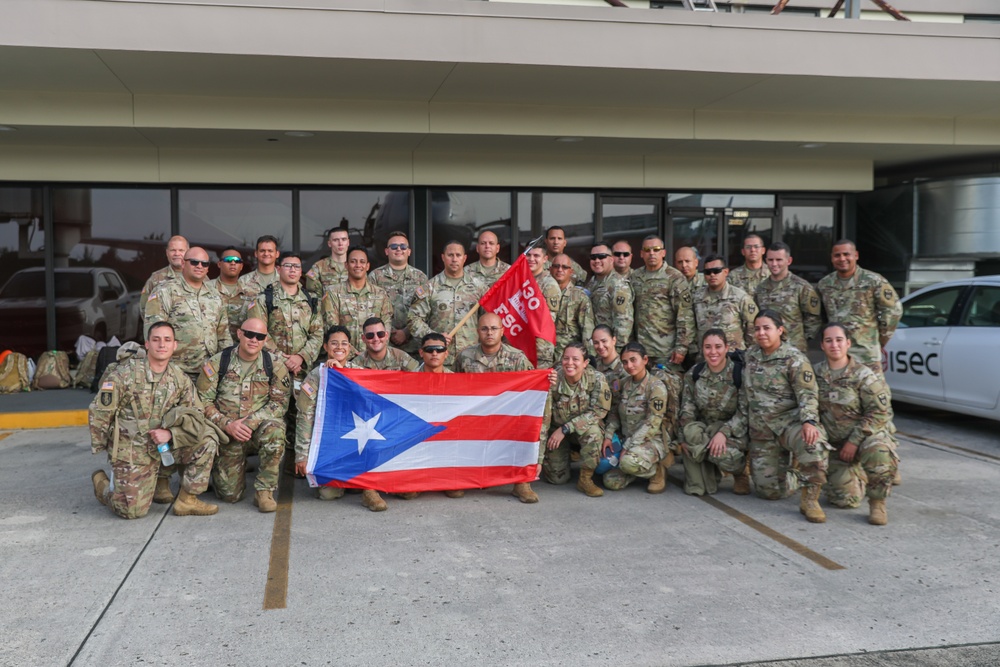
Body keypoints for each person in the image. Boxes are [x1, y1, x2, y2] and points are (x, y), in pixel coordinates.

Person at [89, 321, 218, 518]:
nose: (162, 345)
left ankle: (187, 499)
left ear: (175, 345)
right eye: (156, 340)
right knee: (132, 511)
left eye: (167, 340)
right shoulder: (125, 374)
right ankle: (105, 487)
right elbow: (100, 411)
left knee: (207, 440)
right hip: (134, 447)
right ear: (147, 344)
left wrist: (171, 434)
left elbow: (197, 415)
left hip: (165, 443)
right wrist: (111, 450)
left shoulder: (179, 378)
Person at [743, 309, 830, 523]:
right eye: (757, 329)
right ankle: (794, 473)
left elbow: (807, 393)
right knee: (769, 492)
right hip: (762, 429)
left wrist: (809, 421)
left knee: (814, 442)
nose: (761, 333)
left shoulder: (794, 359)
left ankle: (810, 498)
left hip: (789, 425)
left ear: (780, 330)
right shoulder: (750, 356)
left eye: (767, 328)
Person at [197, 317, 291, 513]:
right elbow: (202, 402)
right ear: (239, 334)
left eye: (260, 336)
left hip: (258, 428)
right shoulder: (218, 362)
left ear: (265, 340)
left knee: (275, 431)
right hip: (228, 432)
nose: (253, 340)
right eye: (249, 334)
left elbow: (279, 403)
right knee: (230, 495)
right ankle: (230, 466)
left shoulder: (274, 364)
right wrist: (227, 424)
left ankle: (264, 491)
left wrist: (250, 422)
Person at [815, 322, 898, 525]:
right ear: (822, 346)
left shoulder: (863, 375)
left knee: (879, 450)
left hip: (861, 441)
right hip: (833, 445)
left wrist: (854, 441)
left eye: (839, 340)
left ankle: (877, 502)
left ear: (848, 343)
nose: (834, 344)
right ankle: (856, 474)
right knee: (845, 500)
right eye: (829, 340)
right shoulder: (814, 374)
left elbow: (879, 412)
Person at [454, 313, 539, 503]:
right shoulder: (465, 357)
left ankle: (521, 482)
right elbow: (455, 392)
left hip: (507, 419)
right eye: (484, 329)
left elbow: (533, 389)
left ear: (502, 331)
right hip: (474, 419)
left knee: (524, 430)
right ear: (477, 332)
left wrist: (546, 379)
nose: (489, 333)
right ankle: (460, 478)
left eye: (493, 328)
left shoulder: (517, 358)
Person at [295, 326, 374, 506]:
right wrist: (302, 455)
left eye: (344, 343)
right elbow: (304, 417)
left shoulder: (359, 372)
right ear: (325, 346)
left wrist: (342, 375)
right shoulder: (315, 376)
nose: (340, 347)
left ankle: (366, 488)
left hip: (357, 437)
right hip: (329, 443)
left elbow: (370, 404)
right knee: (328, 494)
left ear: (350, 347)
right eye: (334, 343)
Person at [677, 329, 750, 496]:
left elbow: (744, 413)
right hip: (705, 431)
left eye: (718, 346)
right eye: (708, 347)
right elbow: (687, 409)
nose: (713, 352)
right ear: (702, 349)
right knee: (691, 438)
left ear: (726, 348)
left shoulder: (740, 374)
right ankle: (705, 476)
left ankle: (741, 472)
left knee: (723, 454)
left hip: (732, 433)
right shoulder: (694, 374)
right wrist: (683, 439)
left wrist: (723, 433)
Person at [816, 239, 902, 376]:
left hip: (865, 355)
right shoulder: (824, 284)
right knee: (840, 396)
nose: (842, 258)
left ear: (856, 255)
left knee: (873, 395)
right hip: (836, 355)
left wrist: (881, 339)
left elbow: (893, 310)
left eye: (846, 254)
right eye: (837, 255)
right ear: (832, 258)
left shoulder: (873, 281)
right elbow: (821, 317)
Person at [144, 246, 231, 380]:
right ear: (184, 263)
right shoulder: (166, 291)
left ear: (208, 268)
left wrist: (225, 366)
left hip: (209, 373)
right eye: (194, 262)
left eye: (204, 263)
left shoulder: (215, 295)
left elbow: (223, 335)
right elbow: (153, 332)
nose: (199, 266)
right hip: (175, 373)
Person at [542, 343, 612, 497]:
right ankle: (565, 455)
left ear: (585, 363)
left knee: (594, 433)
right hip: (557, 430)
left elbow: (598, 411)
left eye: (575, 359)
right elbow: (543, 412)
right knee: (557, 479)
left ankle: (585, 479)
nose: (570, 363)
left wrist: (566, 428)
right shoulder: (553, 377)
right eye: (566, 358)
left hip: (582, 429)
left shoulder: (597, 379)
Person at [601, 341, 670, 494]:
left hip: (651, 441)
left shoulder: (656, 387)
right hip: (627, 439)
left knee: (627, 462)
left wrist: (627, 447)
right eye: (625, 362)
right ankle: (635, 470)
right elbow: (614, 413)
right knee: (610, 481)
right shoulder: (623, 384)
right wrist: (608, 435)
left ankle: (657, 470)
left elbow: (653, 423)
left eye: (633, 360)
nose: (629, 365)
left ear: (645, 360)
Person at [407, 240, 486, 370]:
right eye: (450, 255)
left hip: (472, 359)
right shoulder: (430, 287)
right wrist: (434, 338)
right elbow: (413, 319)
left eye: (458, 255)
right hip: (440, 359)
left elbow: (488, 320)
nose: (454, 259)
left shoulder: (479, 288)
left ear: (464, 258)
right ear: (443, 257)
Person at [248, 251, 323, 383]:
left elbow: (317, 334)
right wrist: (284, 360)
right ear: (278, 269)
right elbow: (257, 334)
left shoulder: (312, 301)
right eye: (288, 266)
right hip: (271, 371)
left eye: (297, 266)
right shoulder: (264, 299)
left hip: (304, 373)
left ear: (301, 272)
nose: (292, 270)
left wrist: (301, 357)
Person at [630, 235, 695, 375]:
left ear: (663, 253)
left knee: (668, 390)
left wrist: (681, 347)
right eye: (647, 250)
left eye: (656, 249)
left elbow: (685, 315)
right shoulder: (635, 277)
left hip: (666, 351)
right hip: (641, 350)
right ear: (641, 254)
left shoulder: (675, 278)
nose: (652, 253)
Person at [321, 246, 393, 353]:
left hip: (374, 357)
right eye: (353, 262)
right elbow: (332, 327)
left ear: (367, 266)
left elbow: (386, 327)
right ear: (346, 265)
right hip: (345, 358)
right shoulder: (333, 293)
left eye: (362, 262)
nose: (358, 265)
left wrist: (374, 353)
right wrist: (354, 354)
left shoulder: (380, 294)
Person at [368, 231, 429, 357]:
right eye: (394, 247)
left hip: (414, 347)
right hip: (384, 347)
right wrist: (389, 332)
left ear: (409, 251)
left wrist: (405, 333)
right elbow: (371, 310)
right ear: (386, 251)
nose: (399, 249)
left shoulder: (420, 278)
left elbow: (426, 311)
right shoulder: (375, 277)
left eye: (403, 246)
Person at [754, 242, 821, 353]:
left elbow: (813, 319)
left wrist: (800, 340)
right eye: (770, 260)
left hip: (794, 350)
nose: (774, 264)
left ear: (789, 261)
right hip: (767, 350)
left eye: (779, 260)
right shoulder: (761, 288)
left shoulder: (801, 287)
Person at [691, 254, 757, 354]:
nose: (712, 275)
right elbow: (690, 327)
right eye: (708, 272)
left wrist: (748, 353)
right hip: (706, 358)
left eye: (716, 271)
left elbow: (752, 328)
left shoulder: (740, 297)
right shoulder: (696, 298)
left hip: (733, 358)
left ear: (726, 272)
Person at [586, 243, 633, 353]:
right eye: (593, 257)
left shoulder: (618, 285)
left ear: (611, 259)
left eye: (601, 256)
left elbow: (623, 322)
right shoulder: (592, 283)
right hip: (595, 347)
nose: (597, 260)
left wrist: (618, 352)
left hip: (610, 350)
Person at [549, 253, 595, 361]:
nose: (560, 270)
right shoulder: (541, 293)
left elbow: (587, 330)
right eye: (556, 266)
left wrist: (589, 359)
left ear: (571, 271)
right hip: (545, 357)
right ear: (550, 269)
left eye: (565, 267)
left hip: (569, 359)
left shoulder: (579, 297)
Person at [208, 247, 254, 342]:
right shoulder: (206, 288)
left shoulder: (251, 293)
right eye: (228, 260)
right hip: (212, 348)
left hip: (240, 350)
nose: (233, 263)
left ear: (241, 266)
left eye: (237, 261)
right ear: (219, 264)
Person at [525, 245, 561, 368]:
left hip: (540, 348)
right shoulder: (521, 279)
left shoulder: (549, 285)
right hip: (521, 346)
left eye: (536, 256)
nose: (531, 259)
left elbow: (547, 321)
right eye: (528, 255)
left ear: (545, 259)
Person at [139, 235, 189, 313]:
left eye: (181, 250)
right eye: (173, 250)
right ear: (167, 253)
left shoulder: (199, 276)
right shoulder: (156, 278)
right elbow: (144, 309)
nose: (177, 253)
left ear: (188, 252)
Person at [353, 317, 419, 371]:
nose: (376, 339)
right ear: (363, 338)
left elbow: (421, 377)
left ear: (386, 335)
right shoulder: (356, 364)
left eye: (380, 334)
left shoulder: (402, 358)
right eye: (370, 335)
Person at [304, 226, 349, 295]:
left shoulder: (357, 266)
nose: (340, 244)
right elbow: (312, 293)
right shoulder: (318, 267)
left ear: (348, 242)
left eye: (344, 239)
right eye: (336, 240)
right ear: (329, 243)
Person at [591, 325, 628, 401]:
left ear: (614, 340)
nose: (600, 346)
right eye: (596, 343)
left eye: (604, 341)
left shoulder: (625, 367)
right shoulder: (593, 365)